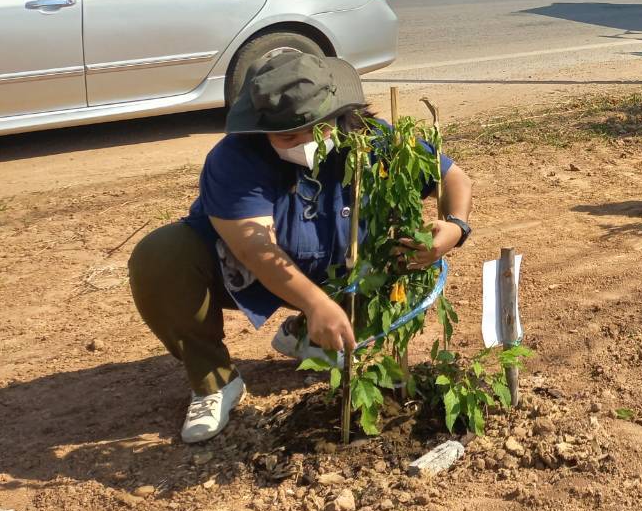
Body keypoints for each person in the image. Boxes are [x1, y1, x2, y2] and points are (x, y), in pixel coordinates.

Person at [128, 51, 476, 444]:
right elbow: (256, 250)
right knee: (161, 255)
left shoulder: (369, 139)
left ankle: (307, 334)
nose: (304, 143)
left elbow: (453, 177)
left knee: (396, 244)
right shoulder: (234, 159)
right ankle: (216, 383)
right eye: (287, 136)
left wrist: (456, 228)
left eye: (315, 128)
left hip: (340, 269)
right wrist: (314, 304)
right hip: (243, 274)